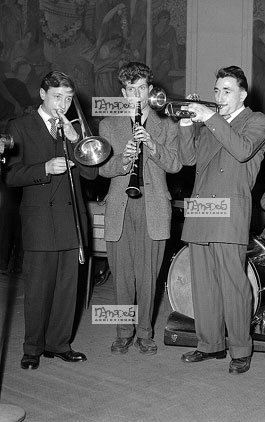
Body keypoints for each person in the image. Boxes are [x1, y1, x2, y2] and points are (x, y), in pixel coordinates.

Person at [178, 65, 265, 374]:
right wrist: (188, 124)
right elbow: (189, 159)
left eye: (226, 91)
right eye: (216, 90)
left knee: (234, 285)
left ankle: (241, 349)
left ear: (243, 94)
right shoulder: (209, 124)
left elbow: (242, 151)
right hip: (202, 210)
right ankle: (210, 344)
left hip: (229, 210)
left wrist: (209, 117)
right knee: (204, 285)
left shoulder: (257, 121)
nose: (219, 96)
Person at [5, 71, 98, 370]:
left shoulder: (76, 129)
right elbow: (10, 175)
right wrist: (44, 167)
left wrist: (75, 139)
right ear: (42, 94)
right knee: (38, 289)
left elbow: (92, 174)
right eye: (58, 96)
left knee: (66, 288)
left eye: (69, 98)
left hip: (71, 219)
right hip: (39, 220)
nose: (64, 103)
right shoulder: (20, 126)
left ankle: (59, 344)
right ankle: (32, 348)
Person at [99, 62, 182, 356]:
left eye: (142, 88)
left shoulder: (167, 124)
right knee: (121, 275)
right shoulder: (108, 125)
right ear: (124, 93)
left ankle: (145, 333)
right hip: (120, 206)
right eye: (131, 90)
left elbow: (175, 164)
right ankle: (124, 332)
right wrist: (124, 158)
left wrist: (153, 146)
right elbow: (103, 170)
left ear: (150, 89)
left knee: (149, 276)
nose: (137, 94)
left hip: (154, 204)